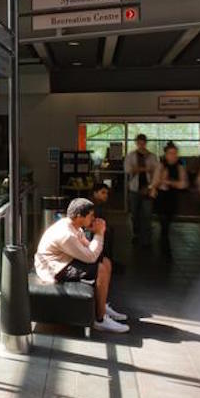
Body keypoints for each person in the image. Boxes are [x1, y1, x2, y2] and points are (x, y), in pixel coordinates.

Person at [34, 198, 128, 333]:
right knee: (100, 269)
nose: (94, 218)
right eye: (91, 216)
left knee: (106, 262)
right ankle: (99, 319)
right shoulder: (66, 234)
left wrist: (96, 235)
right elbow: (90, 257)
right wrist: (99, 234)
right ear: (79, 216)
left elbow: (89, 248)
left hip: (65, 259)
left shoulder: (74, 226)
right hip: (54, 268)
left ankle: (101, 305)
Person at [89, 182, 123, 320]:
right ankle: (101, 312)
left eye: (106, 193)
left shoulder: (98, 207)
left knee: (106, 263)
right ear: (95, 193)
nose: (105, 196)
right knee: (103, 266)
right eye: (103, 192)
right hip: (94, 245)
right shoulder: (94, 208)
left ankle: (103, 306)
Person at [152, 142, 189, 257]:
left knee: (168, 221)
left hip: (172, 197)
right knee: (164, 224)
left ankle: (164, 244)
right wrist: (164, 182)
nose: (173, 156)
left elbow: (183, 184)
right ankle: (165, 248)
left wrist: (168, 181)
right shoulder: (161, 165)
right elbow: (156, 182)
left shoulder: (180, 166)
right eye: (170, 153)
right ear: (166, 154)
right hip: (162, 197)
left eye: (175, 153)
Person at [123, 134, 155, 247]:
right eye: (139, 143)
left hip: (148, 188)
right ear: (136, 143)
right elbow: (128, 169)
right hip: (134, 188)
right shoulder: (131, 155)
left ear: (145, 143)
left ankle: (147, 238)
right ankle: (136, 234)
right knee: (135, 214)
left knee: (147, 214)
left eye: (143, 143)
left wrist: (138, 169)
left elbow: (156, 170)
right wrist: (145, 169)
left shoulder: (151, 156)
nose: (141, 145)